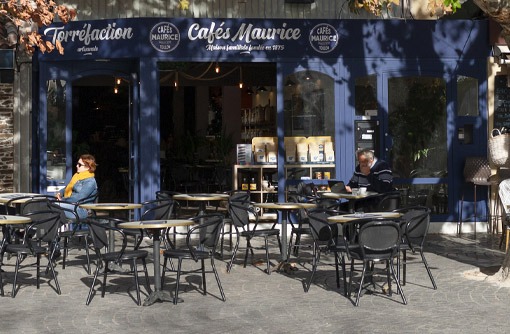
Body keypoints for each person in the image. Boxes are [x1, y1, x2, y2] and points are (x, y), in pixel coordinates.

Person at [56, 154, 98, 219]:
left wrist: (62, 200)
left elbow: (79, 197)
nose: (76, 166)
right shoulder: (77, 177)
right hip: (71, 206)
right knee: (49, 206)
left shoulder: (90, 182)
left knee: (53, 206)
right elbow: (67, 187)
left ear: (88, 167)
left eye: (79, 165)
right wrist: (60, 193)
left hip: (81, 210)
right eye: (77, 164)